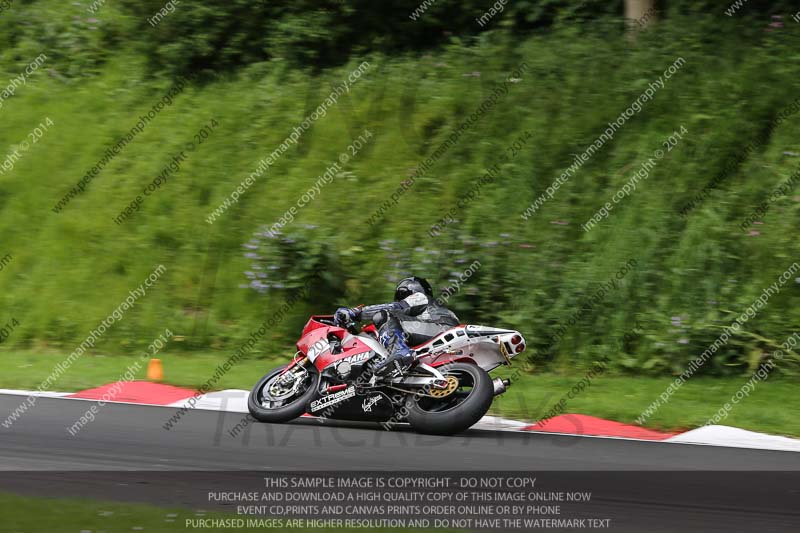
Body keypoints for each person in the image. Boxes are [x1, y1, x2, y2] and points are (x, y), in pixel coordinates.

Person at [334, 276, 459, 376]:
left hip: (438, 329)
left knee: (383, 315)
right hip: (443, 335)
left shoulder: (420, 297)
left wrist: (356, 313)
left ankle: (399, 350)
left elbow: (394, 308)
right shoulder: (432, 309)